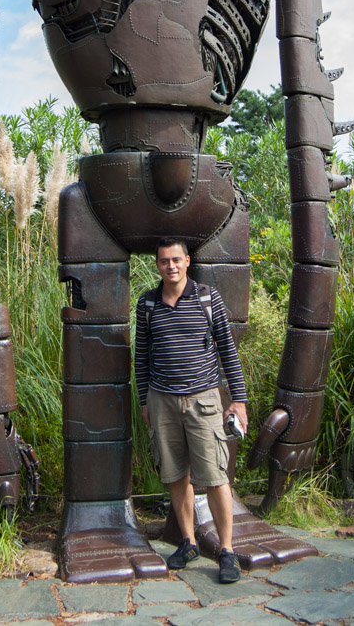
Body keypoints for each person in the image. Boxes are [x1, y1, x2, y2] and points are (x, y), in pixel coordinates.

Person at [135, 239, 248, 584]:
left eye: (176, 260)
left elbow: (228, 350)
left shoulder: (207, 297)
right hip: (162, 401)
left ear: (187, 261)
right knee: (174, 475)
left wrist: (239, 400)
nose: (170, 266)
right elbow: (142, 356)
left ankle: (227, 551)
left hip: (204, 401)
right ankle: (187, 542)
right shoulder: (148, 303)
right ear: (157, 265)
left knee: (216, 477)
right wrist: (144, 401)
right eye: (164, 260)